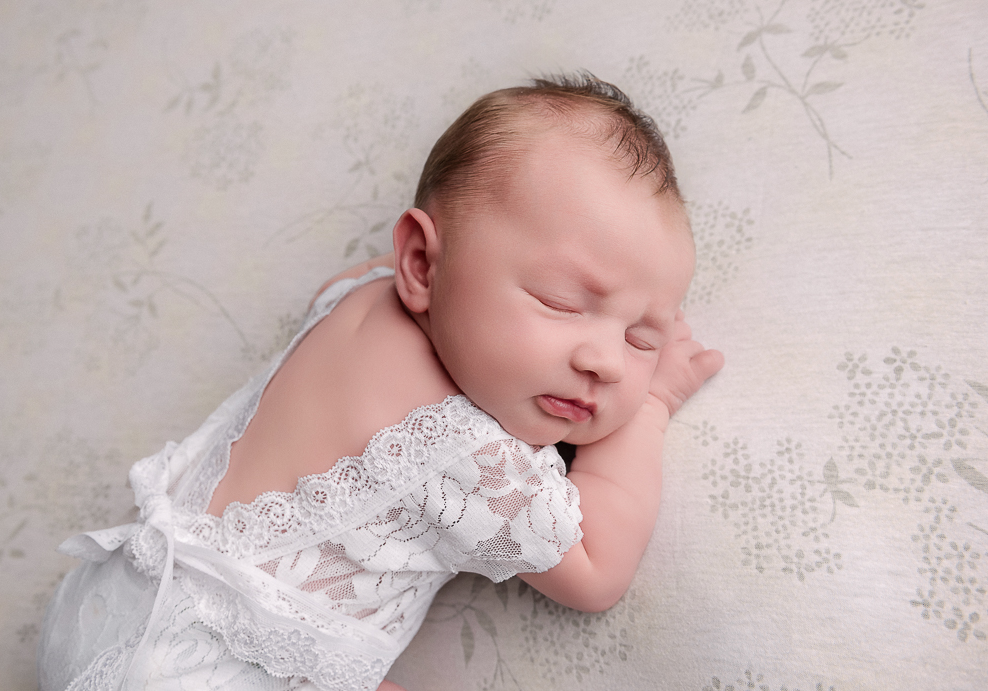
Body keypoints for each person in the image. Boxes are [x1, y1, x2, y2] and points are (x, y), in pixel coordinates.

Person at [37, 72, 724, 691]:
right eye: (561, 301)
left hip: (111, 599)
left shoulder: (357, 296)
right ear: (421, 263)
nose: (604, 359)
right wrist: (653, 404)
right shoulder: (464, 453)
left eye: (642, 338)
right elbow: (597, 568)